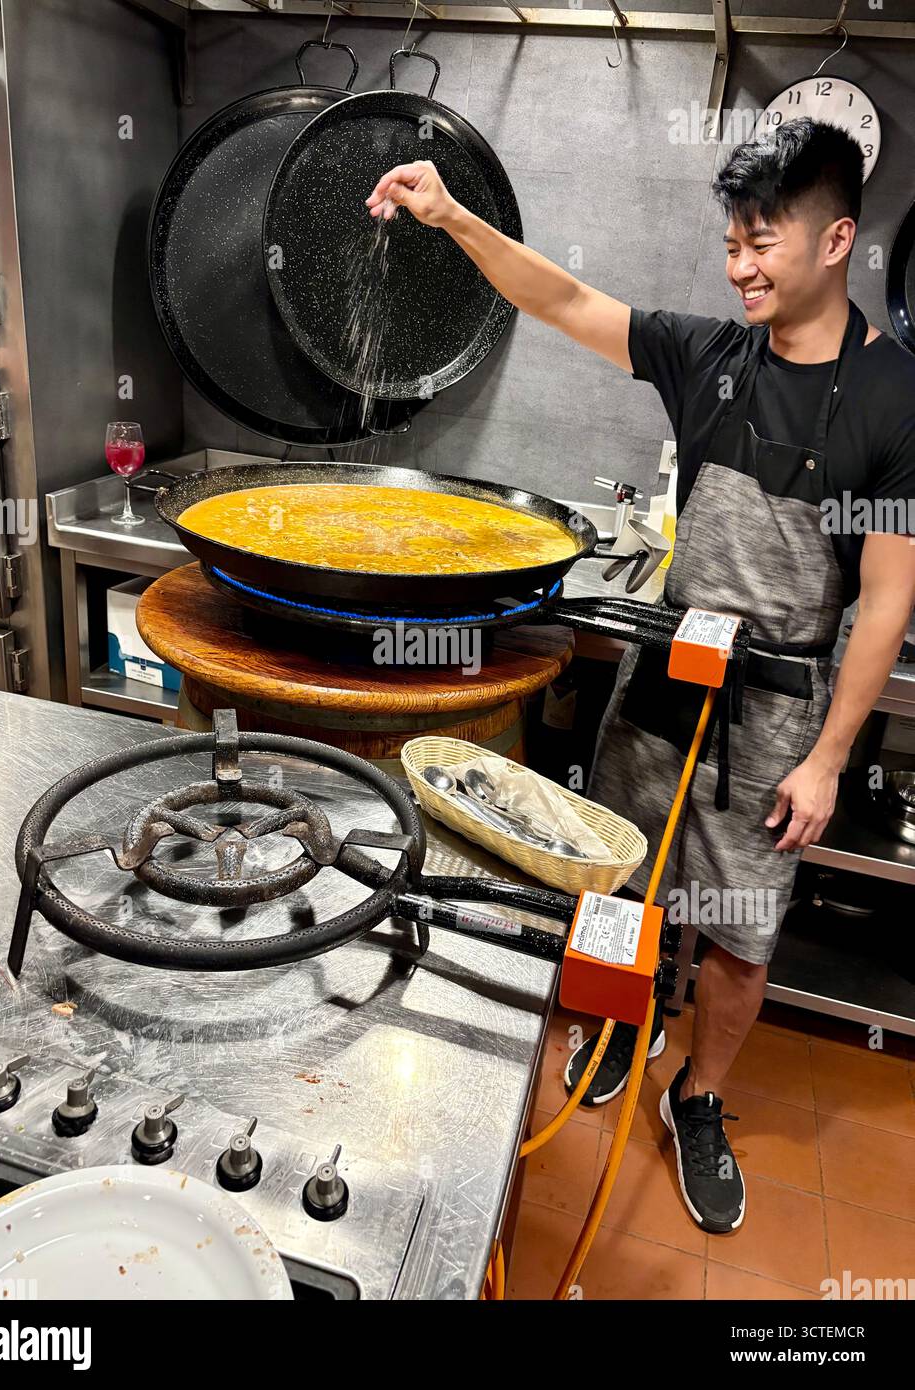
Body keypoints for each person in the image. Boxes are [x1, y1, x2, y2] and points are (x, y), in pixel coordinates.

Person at [367, 118, 915, 1232]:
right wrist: (454, 214)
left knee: (737, 933)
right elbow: (563, 299)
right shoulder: (709, 358)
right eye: (730, 242)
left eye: (762, 242)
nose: (740, 265)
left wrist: (825, 759)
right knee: (613, 879)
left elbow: (893, 594)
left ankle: (697, 1092)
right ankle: (618, 1026)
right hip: (664, 676)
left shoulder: (895, 396)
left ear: (836, 242)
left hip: (775, 710)